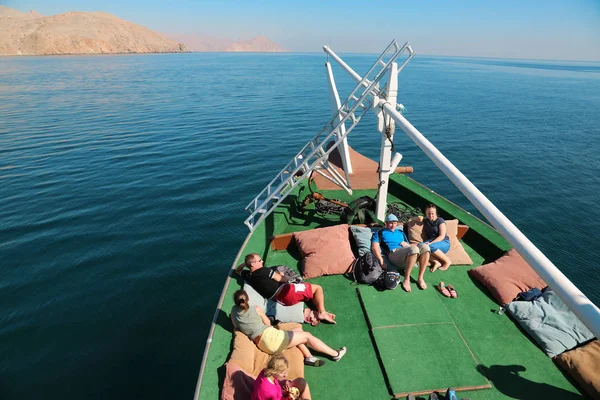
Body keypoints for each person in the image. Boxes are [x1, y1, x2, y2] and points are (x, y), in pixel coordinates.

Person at [231, 290, 347, 367]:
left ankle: (309, 357)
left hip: (262, 344)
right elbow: (267, 322)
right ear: (247, 299)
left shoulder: (233, 312)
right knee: (307, 336)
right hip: (273, 340)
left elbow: (236, 326)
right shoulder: (255, 308)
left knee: (298, 332)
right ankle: (335, 354)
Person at [235, 253, 336, 324]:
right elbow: (282, 279)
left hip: (280, 300)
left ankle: (313, 306)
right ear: (253, 264)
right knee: (317, 288)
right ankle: (322, 312)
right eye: (260, 260)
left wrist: (246, 263)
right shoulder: (264, 270)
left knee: (306, 288)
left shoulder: (248, 275)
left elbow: (237, 270)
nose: (262, 261)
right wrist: (280, 274)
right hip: (288, 292)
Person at [371, 214, 430, 292]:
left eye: (395, 223)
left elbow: (409, 245)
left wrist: (408, 245)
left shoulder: (400, 232)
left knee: (425, 247)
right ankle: (406, 279)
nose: (393, 225)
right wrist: (381, 260)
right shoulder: (380, 232)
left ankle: (420, 278)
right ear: (386, 223)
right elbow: (374, 247)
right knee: (414, 249)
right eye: (390, 223)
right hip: (393, 254)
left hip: (406, 252)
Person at [421, 204, 452, 272]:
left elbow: (442, 236)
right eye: (428, 213)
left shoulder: (440, 220)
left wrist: (430, 243)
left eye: (432, 213)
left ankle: (447, 261)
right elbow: (415, 219)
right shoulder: (426, 220)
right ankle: (436, 262)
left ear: (436, 213)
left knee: (430, 247)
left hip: (443, 242)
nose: (431, 215)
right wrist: (416, 218)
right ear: (426, 213)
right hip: (431, 241)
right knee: (420, 246)